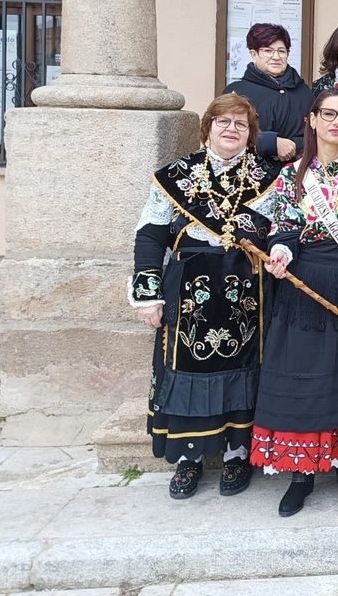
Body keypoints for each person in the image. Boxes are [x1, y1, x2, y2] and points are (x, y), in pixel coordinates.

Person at [251, 89, 338, 517]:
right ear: (312, 119)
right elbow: (283, 231)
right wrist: (281, 253)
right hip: (304, 286)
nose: (337, 122)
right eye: (329, 114)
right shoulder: (291, 176)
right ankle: (302, 475)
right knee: (306, 376)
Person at [130, 93, 274, 500]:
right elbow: (150, 234)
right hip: (188, 293)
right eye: (223, 121)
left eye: (241, 125)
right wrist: (147, 295)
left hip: (246, 294)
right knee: (188, 373)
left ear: (250, 134)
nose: (231, 129)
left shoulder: (268, 178)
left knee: (244, 375)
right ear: (207, 126)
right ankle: (189, 460)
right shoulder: (175, 176)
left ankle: (237, 454)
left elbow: (280, 232)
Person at [223, 22, 314, 169]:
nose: (276, 57)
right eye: (268, 50)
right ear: (254, 54)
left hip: (295, 175)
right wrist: (271, 142)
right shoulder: (236, 92)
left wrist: (294, 144)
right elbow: (222, 135)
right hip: (246, 175)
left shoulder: (304, 92)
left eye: (281, 51)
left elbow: (317, 134)